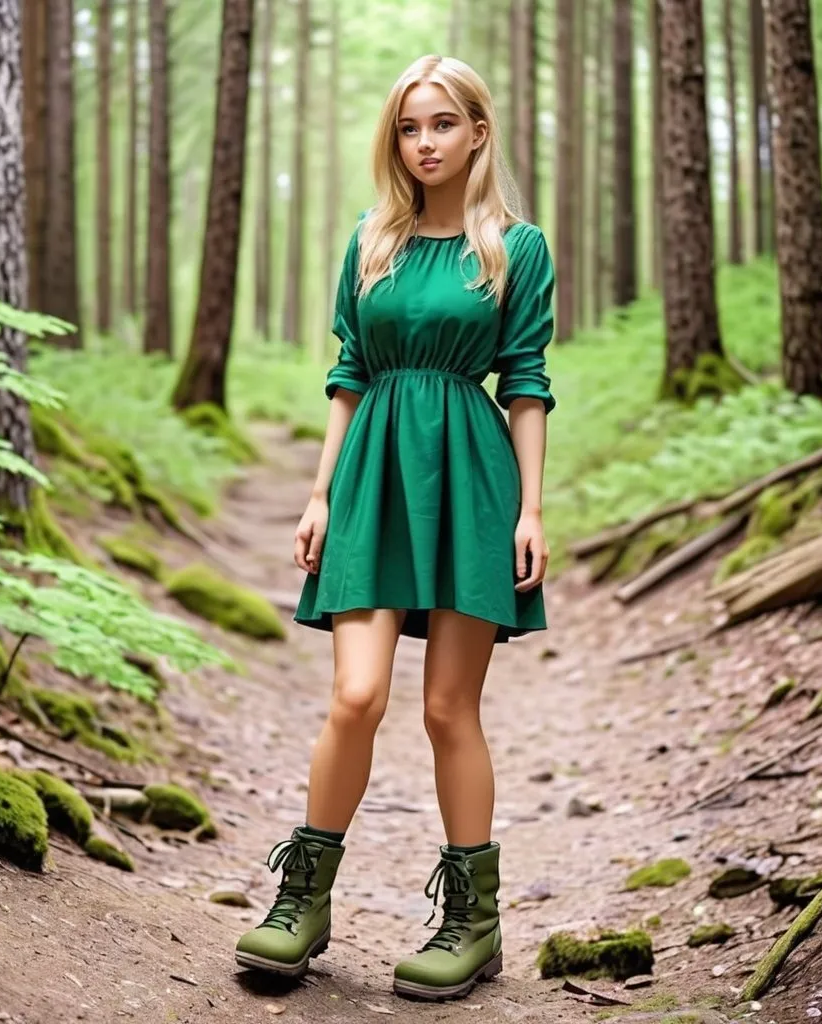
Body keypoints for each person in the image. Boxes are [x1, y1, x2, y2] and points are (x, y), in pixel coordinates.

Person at [234, 53, 555, 1003]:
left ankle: (473, 921)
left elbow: (527, 382)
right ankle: (304, 900)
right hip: (373, 474)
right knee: (356, 695)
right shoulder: (369, 242)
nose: (425, 143)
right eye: (410, 127)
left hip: (473, 478)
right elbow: (348, 374)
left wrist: (532, 509)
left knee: (450, 709)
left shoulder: (514, 247)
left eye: (443, 124)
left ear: (478, 133)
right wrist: (319, 492)